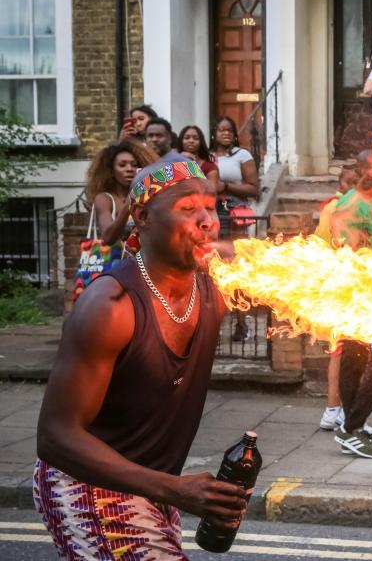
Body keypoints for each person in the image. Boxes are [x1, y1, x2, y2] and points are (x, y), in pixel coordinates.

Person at [34, 159, 248, 559]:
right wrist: (174, 488)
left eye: (210, 207)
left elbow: (296, 284)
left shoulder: (215, 287)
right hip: (86, 486)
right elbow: (55, 437)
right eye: (188, 209)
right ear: (143, 217)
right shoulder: (111, 306)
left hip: (150, 487)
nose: (208, 221)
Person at [328, 150, 372, 458]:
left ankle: (355, 426)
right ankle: (351, 428)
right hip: (355, 294)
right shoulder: (350, 206)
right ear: (365, 172)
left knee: (357, 359)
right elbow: (348, 254)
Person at [315, 168, 360, 433]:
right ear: (342, 184)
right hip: (344, 286)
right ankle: (336, 410)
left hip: (339, 285)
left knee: (340, 352)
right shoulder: (339, 208)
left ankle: (334, 410)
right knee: (344, 353)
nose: (355, 188)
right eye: (350, 183)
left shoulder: (334, 207)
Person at [84, 141, 158, 246]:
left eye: (135, 165)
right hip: (115, 260)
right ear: (111, 171)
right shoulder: (104, 199)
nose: (129, 169)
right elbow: (107, 238)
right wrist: (129, 204)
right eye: (122, 165)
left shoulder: (147, 197)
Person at [209, 115, 259, 237]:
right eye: (222, 130)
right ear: (213, 134)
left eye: (230, 130)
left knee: (234, 250)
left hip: (233, 209)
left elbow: (254, 189)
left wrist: (226, 186)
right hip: (210, 209)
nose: (227, 133)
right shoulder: (207, 156)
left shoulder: (242, 155)